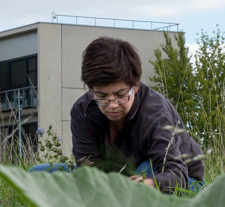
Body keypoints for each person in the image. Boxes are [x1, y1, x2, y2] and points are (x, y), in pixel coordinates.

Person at [31, 37, 205, 193]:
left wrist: (144, 185)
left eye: (121, 95)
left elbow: (176, 175)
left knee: (145, 169)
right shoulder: (82, 111)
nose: (112, 105)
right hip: (116, 181)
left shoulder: (156, 114)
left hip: (179, 182)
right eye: (102, 96)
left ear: (135, 86)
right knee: (39, 174)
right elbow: (87, 171)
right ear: (92, 90)